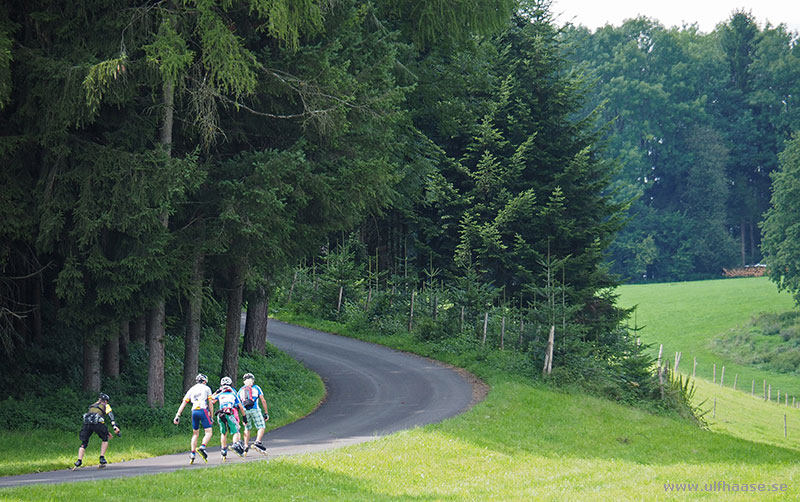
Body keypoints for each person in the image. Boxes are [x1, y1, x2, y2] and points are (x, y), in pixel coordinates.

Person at [173, 373, 215, 464]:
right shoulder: (207, 388)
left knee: (195, 434)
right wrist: (211, 416)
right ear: (204, 381)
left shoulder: (192, 389)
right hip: (203, 410)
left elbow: (184, 403)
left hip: (194, 411)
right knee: (208, 432)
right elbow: (210, 403)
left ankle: (192, 454)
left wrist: (177, 415)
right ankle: (202, 447)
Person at [73, 393, 121, 469]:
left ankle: (79, 461)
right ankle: (102, 458)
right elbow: (111, 416)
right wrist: (114, 427)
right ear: (105, 401)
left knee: (84, 442)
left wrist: (106, 431)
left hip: (87, 424)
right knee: (105, 438)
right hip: (98, 424)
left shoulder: (92, 405)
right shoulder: (106, 406)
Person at [212, 376, 247, 461]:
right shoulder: (233, 393)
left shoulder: (220, 394)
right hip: (229, 413)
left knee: (223, 433)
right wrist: (244, 417)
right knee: (236, 430)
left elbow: (211, 399)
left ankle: (223, 451)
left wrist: (217, 392)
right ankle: (235, 444)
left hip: (220, 414)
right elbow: (241, 407)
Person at [237, 372, 269, 455]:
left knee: (247, 428)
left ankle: (246, 446)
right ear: (253, 380)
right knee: (261, 426)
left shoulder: (241, 389)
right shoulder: (256, 388)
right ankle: (257, 442)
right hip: (255, 409)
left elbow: (238, 402)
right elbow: (263, 400)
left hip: (245, 410)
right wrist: (266, 413)